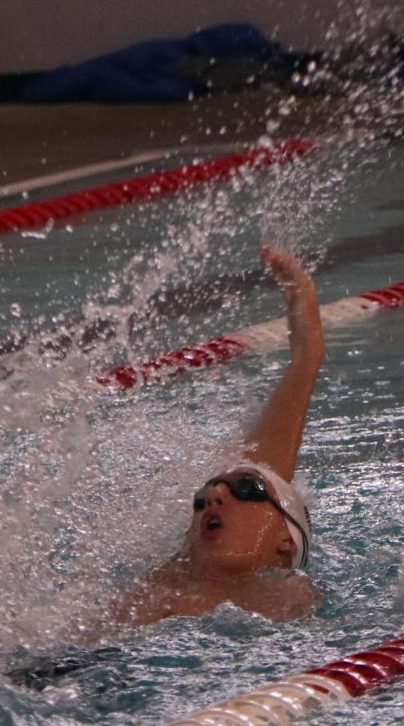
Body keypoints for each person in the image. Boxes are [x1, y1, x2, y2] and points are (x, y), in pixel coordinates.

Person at [116, 245, 325, 626]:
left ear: (286, 542)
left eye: (245, 491)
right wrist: (307, 355)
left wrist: (308, 354)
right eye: (200, 500)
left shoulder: (288, 599)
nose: (211, 497)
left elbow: (267, 471)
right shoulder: (152, 596)